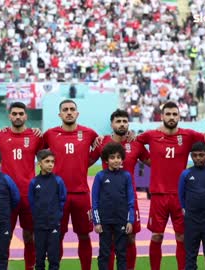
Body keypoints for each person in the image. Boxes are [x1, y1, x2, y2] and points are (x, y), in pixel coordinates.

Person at [136, 101, 204, 270]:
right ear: (162, 116)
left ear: (179, 116)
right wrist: (149, 160)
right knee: (157, 236)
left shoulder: (188, 135)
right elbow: (134, 143)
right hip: (158, 195)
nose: (172, 117)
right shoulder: (151, 135)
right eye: (168, 114)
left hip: (181, 196)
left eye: (175, 114)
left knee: (181, 236)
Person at [91, 109, 150, 270]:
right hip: (106, 201)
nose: (122, 124)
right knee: (107, 240)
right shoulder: (102, 142)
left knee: (130, 238)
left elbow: (152, 161)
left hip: (129, 200)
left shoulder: (136, 143)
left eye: (124, 121)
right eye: (118, 121)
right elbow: (86, 161)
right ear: (112, 124)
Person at [43, 99, 99, 270]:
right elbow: (39, 153)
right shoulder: (50, 135)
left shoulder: (89, 133)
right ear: (59, 114)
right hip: (57, 195)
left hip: (81, 194)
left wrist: (85, 163)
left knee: (84, 235)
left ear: (77, 113)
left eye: (72, 109)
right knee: (57, 235)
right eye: (65, 109)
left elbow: (99, 149)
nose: (69, 112)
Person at [0, 101, 44, 270]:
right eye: (14, 114)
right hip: (5, 195)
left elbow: (47, 159)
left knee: (30, 235)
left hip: (29, 195)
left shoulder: (35, 136)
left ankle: (29, 266)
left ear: (26, 116)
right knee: (4, 236)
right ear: (9, 116)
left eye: (20, 114)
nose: (17, 116)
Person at [178, 142, 205, 270]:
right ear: (191, 156)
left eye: (201, 155)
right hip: (192, 220)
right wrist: (185, 209)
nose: (198, 158)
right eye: (195, 155)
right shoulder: (186, 174)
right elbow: (181, 195)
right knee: (191, 255)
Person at [92, 143, 134, 270]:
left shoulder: (126, 176)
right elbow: (95, 201)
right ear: (106, 160)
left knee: (121, 253)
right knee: (104, 253)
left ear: (122, 159)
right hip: (104, 221)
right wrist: (97, 222)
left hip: (121, 220)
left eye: (118, 157)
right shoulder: (100, 176)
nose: (116, 160)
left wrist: (130, 220)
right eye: (112, 157)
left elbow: (130, 200)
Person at [28, 149, 67, 270]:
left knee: (54, 258)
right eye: (47, 161)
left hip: (54, 225)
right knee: (39, 258)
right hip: (39, 226)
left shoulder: (58, 181)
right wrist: (38, 217)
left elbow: (62, 199)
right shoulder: (34, 182)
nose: (50, 164)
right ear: (39, 163)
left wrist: (57, 215)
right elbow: (32, 202)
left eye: (52, 162)